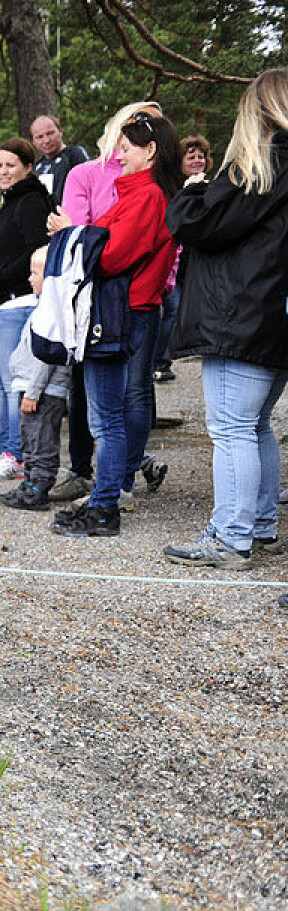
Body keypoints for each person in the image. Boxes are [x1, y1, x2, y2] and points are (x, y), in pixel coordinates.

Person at [163, 69, 288, 572]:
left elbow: (199, 225)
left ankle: (231, 536)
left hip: (242, 314)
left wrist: (192, 190)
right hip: (272, 316)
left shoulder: (260, 166)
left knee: (233, 427)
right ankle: (260, 526)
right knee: (255, 426)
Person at [51, 112, 181, 537]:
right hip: (125, 310)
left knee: (107, 419)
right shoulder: (139, 195)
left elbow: (110, 256)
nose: (118, 155)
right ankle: (105, 498)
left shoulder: (147, 198)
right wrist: (86, 234)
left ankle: (105, 507)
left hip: (122, 313)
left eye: (126, 148)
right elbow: (105, 242)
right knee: (109, 416)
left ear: (151, 151)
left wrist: (75, 233)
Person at [0, 137, 54, 482]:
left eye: (10, 165)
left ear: (27, 167)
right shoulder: (10, 201)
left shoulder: (32, 201)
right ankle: (5, 446)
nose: (3, 171)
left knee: (13, 383)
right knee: (1, 383)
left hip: (17, 302)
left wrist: (3, 278)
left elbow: (38, 251)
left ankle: (18, 455)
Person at [0, 246, 71, 510]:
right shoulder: (43, 307)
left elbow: (46, 356)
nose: (30, 278)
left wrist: (33, 392)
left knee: (41, 441)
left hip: (43, 390)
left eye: (35, 272)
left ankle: (39, 488)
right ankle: (29, 483)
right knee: (29, 438)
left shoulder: (55, 312)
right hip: (30, 386)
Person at [153, 134, 213, 383]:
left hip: (195, 264)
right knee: (172, 309)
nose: (197, 160)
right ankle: (159, 361)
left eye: (201, 156)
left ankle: (167, 359)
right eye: (191, 156)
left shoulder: (211, 186)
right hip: (173, 262)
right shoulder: (172, 187)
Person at [30, 115, 90, 203]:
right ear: (33, 142)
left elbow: (92, 184)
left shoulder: (75, 154)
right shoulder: (37, 167)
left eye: (50, 133)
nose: (46, 140)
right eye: (40, 137)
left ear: (60, 131)